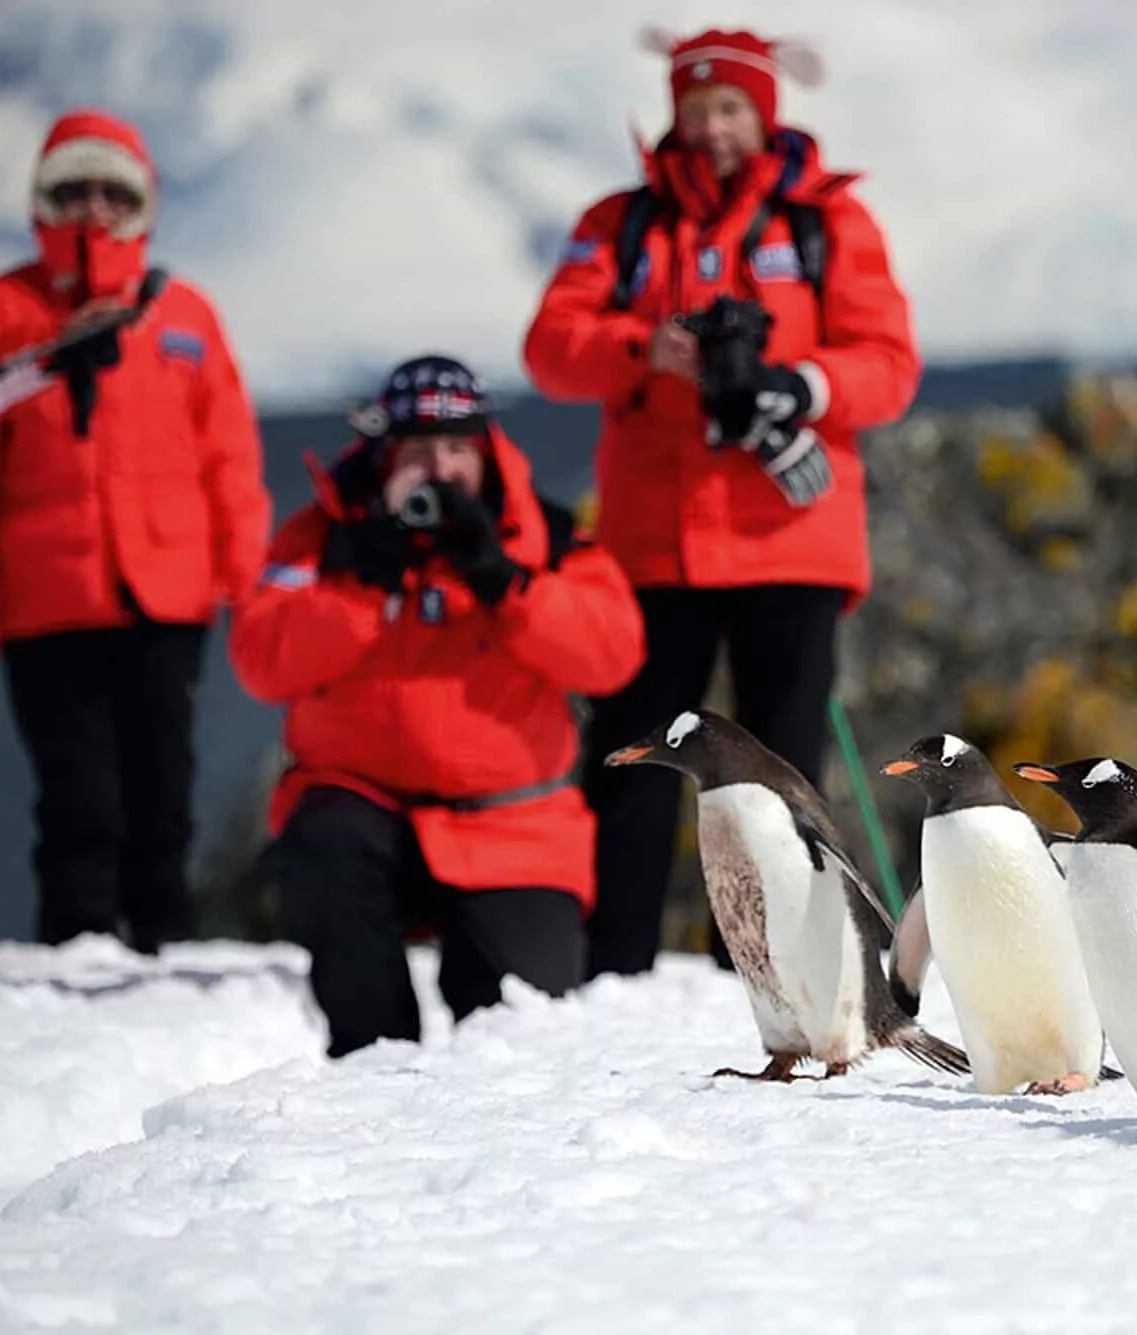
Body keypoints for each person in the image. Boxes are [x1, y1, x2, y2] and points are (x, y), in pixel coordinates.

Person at [523, 28, 922, 978]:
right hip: (651, 543)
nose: (712, 129)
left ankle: (767, 969)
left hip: (791, 539)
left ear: (767, 112)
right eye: (696, 109)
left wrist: (800, 387)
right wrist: (642, 347)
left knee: (779, 770)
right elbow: (549, 348)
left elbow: (891, 365)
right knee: (631, 763)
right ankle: (607, 970)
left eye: (731, 108)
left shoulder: (829, 223)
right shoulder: (620, 226)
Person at [228, 356, 644, 1056]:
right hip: (362, 811)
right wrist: (363, 584)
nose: (440, 471)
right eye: (418, 452)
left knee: (520, 1031)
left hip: (513, 826)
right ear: (385, 458)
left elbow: (613, 655)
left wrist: (506, 585)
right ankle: (373, 1065)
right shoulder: (325, 538)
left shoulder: (544, 536)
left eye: (457, 450)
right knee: (323, 853)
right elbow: (260, 659)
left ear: (487, 455)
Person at [0, 109, 270, 952]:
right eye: (72, 192)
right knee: (77, 802)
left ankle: (164, 952)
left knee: (163, 792)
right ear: (45, 202)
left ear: (140, 204)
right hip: (44, 600)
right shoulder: (8, 311)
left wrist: (244, 579)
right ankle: (72, 966)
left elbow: (229, 455)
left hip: (167, 596)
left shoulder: (184, 313)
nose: (93, 210)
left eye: (111, 193)